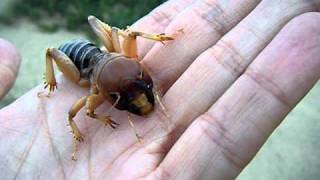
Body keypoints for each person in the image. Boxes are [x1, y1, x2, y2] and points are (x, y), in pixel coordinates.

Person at [0, 0, 320, 179]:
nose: (139, 93)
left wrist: (164, 40)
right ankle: (51, 84)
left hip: (103, 55)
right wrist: (91, 124)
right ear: (105, 94)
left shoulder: (125, 57)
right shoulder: (90, 90)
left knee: (118, 29)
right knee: (52, 52)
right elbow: (79, 113)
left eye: (141, 83)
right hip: (80, 63)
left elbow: (132, 33)